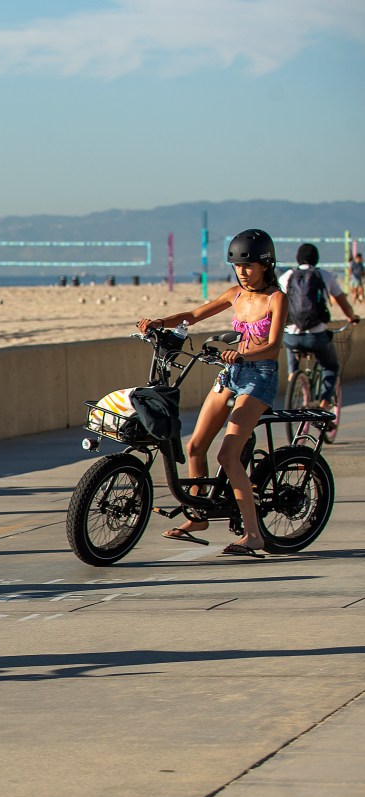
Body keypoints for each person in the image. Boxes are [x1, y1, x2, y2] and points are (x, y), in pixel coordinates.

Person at [137, 228, 286, 558]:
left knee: (228, 455)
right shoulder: (235, 294)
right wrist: (161, 322)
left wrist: (245, 354)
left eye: (249, 266)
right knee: (195, 446)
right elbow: (193, 316)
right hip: (231, 372)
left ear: (266, 264)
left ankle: (253, 535)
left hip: (259, 378)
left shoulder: (276, 299)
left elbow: (274, 345)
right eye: (238, 266)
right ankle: (199, 516)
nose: (243, 272)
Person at [276, 242, 359, 414]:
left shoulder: (287, 276)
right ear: (316, 258)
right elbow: (342, 302)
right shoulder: (324, 275)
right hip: (317, 336)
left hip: (292, 335)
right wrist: (351, 317)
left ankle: (293, 377)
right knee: (331, 367)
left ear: (298, 258)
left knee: (291, 346)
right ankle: (324, 404)